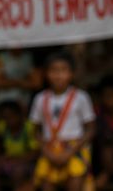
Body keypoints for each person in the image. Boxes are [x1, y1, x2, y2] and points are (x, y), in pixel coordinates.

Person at [30, 51, 96, 191]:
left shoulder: (81, 97)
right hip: (49, 150)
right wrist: (47, 152)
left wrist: (70, 151)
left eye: (63, 70)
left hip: (74, 149)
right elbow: (35, 130)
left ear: (72, 74)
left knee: (75, 184)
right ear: (46, 74)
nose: (58, 75)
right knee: (46, 185)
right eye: (54, 70)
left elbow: (91, 129)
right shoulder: (40, 99)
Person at [0, 100, 38, 191]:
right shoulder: (3, 126)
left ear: (19, 115)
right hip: (8, 160)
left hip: (25, 162)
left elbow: (35, 152)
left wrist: (18, 159)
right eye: (5, 117)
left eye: (11, 116)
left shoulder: (28, 128)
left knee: (18, 171)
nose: (9, 120)